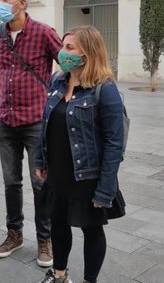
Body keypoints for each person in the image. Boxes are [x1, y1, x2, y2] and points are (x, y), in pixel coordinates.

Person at [34, 26, 124, 283]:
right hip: (58, 171)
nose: (62, 52)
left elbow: (114, 142)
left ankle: (89, 280)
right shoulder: (58, 81)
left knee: (91, 229)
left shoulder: (104, 89)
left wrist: (105, 188)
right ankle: (60, 275)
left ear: (88, 53)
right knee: (58, 224)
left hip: (87, 175)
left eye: (70, 48)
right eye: (63, 46)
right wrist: (41, 160)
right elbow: (46, 124)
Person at [0, 0, 62, 267]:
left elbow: (66, 65)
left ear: (22, 4)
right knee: (11, 182)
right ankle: (14, 233)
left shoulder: (44, 33)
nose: (1, 3)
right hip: (6, 122)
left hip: (36, 123)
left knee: (40, 183)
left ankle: (45, 238)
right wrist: (2, 100)